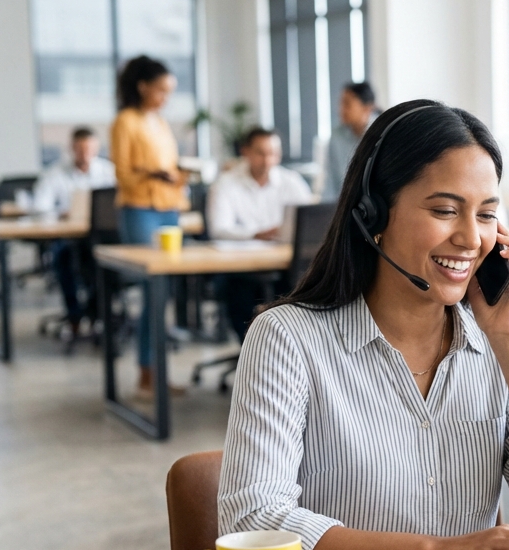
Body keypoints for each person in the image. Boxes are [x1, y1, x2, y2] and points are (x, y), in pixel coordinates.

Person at [218, 99, 509, 550]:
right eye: (444, 210)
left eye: (485, 215)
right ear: (373, 214)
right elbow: (254, 522)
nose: (470, 239)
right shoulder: (288, 340)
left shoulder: (500, 344)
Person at [111, 55, 188, 400]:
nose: (164, 98)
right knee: (151, 291)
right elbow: (123, 174)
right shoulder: (125, 122)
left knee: (165, 294)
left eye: (169, 92)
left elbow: (169, 163)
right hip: (140, 209)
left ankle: (156, 373)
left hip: (169, 208)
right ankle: (146, 374)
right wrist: (150, 172)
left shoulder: (159, 121)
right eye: (160, 90)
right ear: (143, 87)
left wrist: (177, 174)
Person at [207, 127, 314, 337]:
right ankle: (252, 351)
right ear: (245, 151)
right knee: (243, 297)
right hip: (241, 269)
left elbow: (311, 221)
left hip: (285, 267)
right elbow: (218, 229)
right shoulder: (225, 184)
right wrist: (256, 234)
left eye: (273, 153)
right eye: (261, 153)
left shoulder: (292, 182)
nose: (267, 161)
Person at [33, 126, 115, 340]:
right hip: (69, 238)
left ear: (97, 149)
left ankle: (98, 313)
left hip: (102, 240)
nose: (85, 154)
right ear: (71, 148)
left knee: (107, 262)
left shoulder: (109, 172)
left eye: (89, 149)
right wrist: (62, 213)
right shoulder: (55, 174)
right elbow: (40, 207)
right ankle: (75, 315)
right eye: (80, 149)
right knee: (62, 258)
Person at [321, 81, 376, 204]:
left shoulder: (383, 133)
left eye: (347, 104)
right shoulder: (337, 136)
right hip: (345, 210)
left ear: (367, 108)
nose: (341, 110)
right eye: (341, 103)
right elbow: (331, 181)